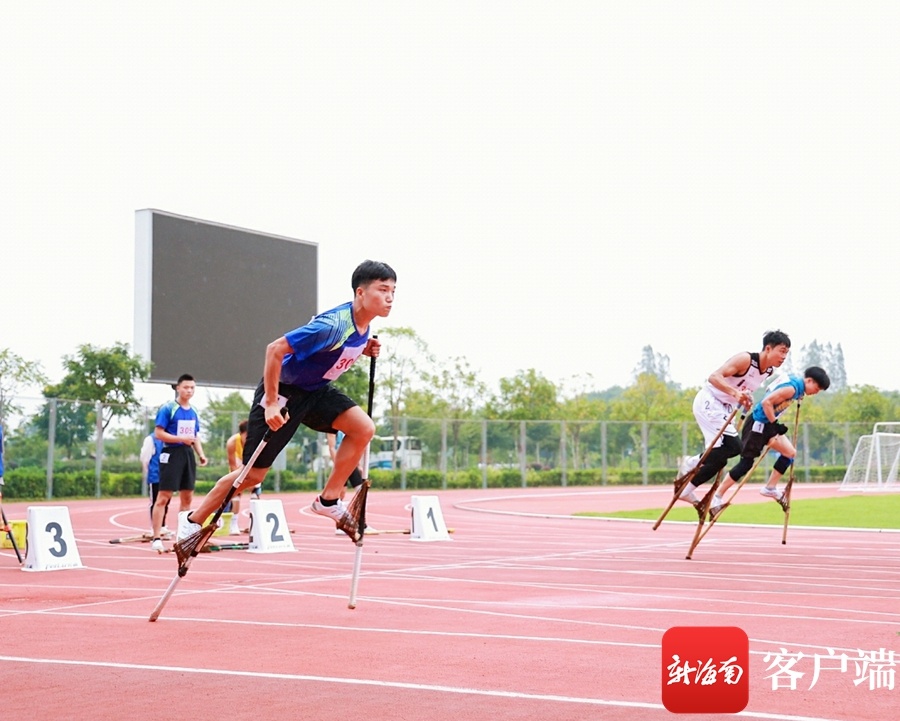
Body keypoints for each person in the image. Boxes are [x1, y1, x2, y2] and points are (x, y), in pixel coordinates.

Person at [182, 260, 395, 542]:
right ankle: (192, 521)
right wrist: (270, 402)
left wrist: (363, 347)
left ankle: (329, 500)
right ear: (360, 293)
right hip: (283, 392)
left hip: (315, 391)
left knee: (363, 429)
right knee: (251, 476)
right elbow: (275, 350)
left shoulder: (363, 326)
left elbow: (333, 352)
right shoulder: (333, 325)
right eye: (383, 290)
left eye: (393, 290)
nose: (390, 298)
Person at [677, 330, 792, 511]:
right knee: (734, 447)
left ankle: (686, 490)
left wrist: (745, 398)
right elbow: (714, 377)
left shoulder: (769, 371)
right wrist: (735, 393)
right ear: (768, 348)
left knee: (720, 458)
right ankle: (691, 463)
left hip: (725, 409)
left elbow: (743, 387)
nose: (784, 356)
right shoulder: (745, 360)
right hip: (710, 401)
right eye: (782, 350)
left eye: (787, 352)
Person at [709, 366, 831, 516]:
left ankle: (770, 488)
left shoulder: (796, 386)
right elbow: (767, 402)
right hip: (757, 424)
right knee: (746, 464)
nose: (815, 393)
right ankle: (717, 496)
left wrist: (775, 422)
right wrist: (775, 424)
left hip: (767, 425)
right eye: (816, 388)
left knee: (790, 453)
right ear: (809, 380)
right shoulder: (792, 389)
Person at [151, 374, 208, 552]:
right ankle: (156, 537)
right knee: (164, 496)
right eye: (186, 387)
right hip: (171, 453)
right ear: (178, 388)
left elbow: (195, 435)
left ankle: (182, 539)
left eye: (192, 388)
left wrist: (200, 453)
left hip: (187, 454)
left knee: (187, 497)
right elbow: (159, 433)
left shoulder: (194, 411)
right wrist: (179, 438)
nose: (189, 391)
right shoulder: (168, 408)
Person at [140, 432, 169, 537]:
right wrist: (148, 472)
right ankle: (155, 528)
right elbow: (145, 458)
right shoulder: (151, 439)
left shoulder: (171, 438)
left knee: (166, 502)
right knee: (156, 501)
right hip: (156, 475)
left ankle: (163, 526)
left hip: (168, 475)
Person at [223, 420, 249, 535]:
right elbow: (232, 465)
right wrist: (241, 480)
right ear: (242, 433)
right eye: (247, 436)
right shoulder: (232, 442)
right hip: (237, 469)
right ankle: (233, 524)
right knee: (236, 495)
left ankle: (254, 523)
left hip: (251, 468)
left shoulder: (254, 441)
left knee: (256, 493)